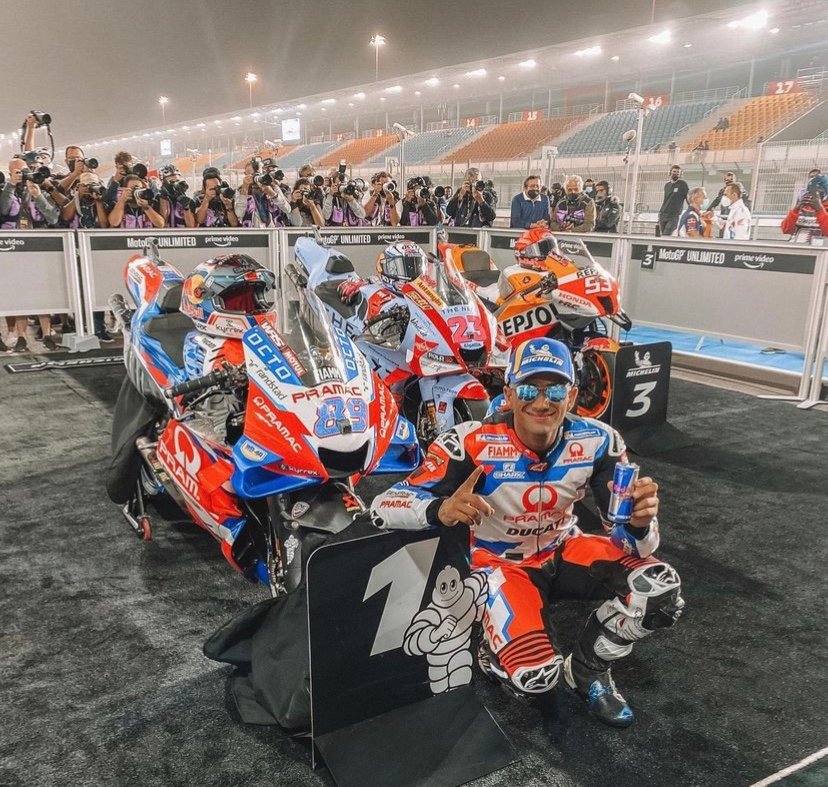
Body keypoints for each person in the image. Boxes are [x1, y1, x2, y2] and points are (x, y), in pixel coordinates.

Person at [370, 337, 683, 727]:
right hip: (500, 565)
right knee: (535, 678)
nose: (542, 402)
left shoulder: (600, 440)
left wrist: (640, 524)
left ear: (572, 396)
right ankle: (493, 647)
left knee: (660, 588)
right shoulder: (469, 441)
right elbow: (383, 506)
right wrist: (440, 509)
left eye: (555, 390)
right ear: (508, 394)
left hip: (565, 548)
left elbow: (633, 544)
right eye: (528, 389)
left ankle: (588, 670)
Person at [0, 157, 62, 352]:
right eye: (18, 172)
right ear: (10, 173)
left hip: (37, 248)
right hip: (13, 249)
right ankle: (21, 336)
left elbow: (53, 217)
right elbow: (2, 210)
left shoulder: (37, 189)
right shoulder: (6, 191)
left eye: (25, 170)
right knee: (20, 294)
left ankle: (47, 334)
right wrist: (11, 186)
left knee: (41, 292)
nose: (23, 174)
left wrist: (38, 195)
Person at [237, 159, 293, 228]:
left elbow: (287, 209)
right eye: (250, 174)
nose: (254, 177)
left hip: (273, 229)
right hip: (252, 231)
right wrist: (244, 190)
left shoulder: (273, 186)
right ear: (245, 174)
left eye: (256, 174)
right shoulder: (241, 190)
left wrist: (272, 194)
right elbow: (239, 213)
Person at [781, 174, 828, 244]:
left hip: (819, 248)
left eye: (819, 189)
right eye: (811, 189)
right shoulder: (803, 206)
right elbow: (786, 230)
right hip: (796, 246)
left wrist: (819, 210)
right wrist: (796, 209)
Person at [707, 172, 752, 237]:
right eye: (726, 180)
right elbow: (728, 226)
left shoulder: (741, 212)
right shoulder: (734, 209)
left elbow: (739, 237)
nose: (724, 197)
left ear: (734, 195)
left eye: (726, 195)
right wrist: (713, 217)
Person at [657, 165, 689, 236]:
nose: (676, 173)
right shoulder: (667, 185)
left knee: (666, 234)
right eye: (674, 171)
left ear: (680, 174)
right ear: (670, 172)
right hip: (663, 214)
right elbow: (665, 200)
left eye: (678, 172)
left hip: (673, 216)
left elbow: (688, 197)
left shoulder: (683, 184)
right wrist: (660, 213)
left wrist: (690, 209)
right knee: (663, 235)